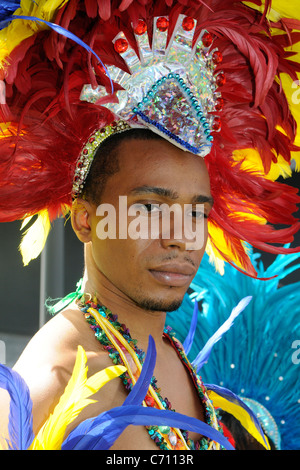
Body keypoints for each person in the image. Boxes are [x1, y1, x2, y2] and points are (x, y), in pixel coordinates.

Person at [0, 0, 300, 450]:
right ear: (86, 219)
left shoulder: (168, 353)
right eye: (149, 209)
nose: (182, 236)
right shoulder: (47, 390)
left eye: (197, 212)